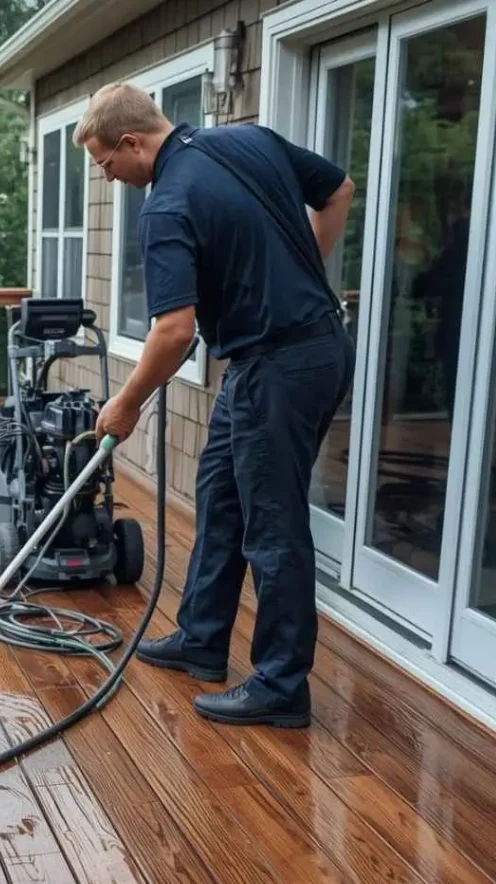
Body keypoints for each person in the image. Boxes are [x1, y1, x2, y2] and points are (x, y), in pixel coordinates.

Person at [73, 83, 356, 728]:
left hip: (280, 367)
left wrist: (125, 404)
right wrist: (304, 271)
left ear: (131, 142)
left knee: (274, 526)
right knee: (221, 493)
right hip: (294, 355)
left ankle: (282, 687)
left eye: (106, 164)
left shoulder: (168, 203)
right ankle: (202, 637)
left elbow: (173, 331)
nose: (109, 178)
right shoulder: (248, 139)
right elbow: (338, 189)